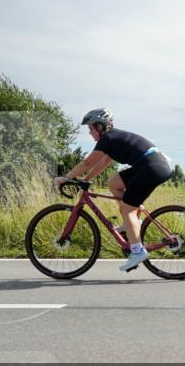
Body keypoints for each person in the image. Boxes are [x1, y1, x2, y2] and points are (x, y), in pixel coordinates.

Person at [54, 108, 172, 271]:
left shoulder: (107, 138)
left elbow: (87, 163)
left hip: (151, 168)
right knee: (114, 183)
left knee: (127, 208)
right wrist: (86, 179)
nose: (90, 133)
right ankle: (130, 223)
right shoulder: (113, 139)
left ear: (100, 127)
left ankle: (137, 251)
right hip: (151, 165)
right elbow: (104, 161)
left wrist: (66, 178)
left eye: (91, 129)